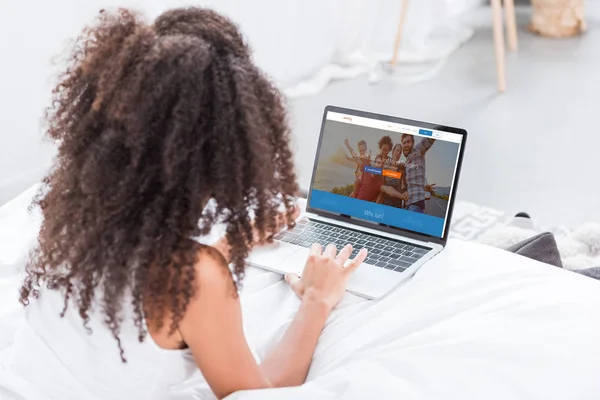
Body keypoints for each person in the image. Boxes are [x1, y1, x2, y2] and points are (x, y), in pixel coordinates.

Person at [0, 8, 367, 400]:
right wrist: (317, 299)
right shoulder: (194, 281)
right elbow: (258, 393)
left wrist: (232, 245)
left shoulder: (68, 211)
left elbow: (140, 282)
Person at [401, 133, 435, 214]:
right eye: (404, 143)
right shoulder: (406, 162)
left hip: (415, 204)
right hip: (407, 205)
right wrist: (424, 186)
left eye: (408, 142)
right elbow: (412, 182)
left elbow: (430, 137)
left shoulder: (418, 150)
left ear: (413, 143)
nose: (405, 145)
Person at [378, 143, 408, 208]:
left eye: (400, 152)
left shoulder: (401, 168)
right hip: (386, 202)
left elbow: (405, 185)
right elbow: (381, 183)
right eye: (397, 150)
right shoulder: (385, 165)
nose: (398, 153)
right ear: (393, 151)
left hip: (398, 203)